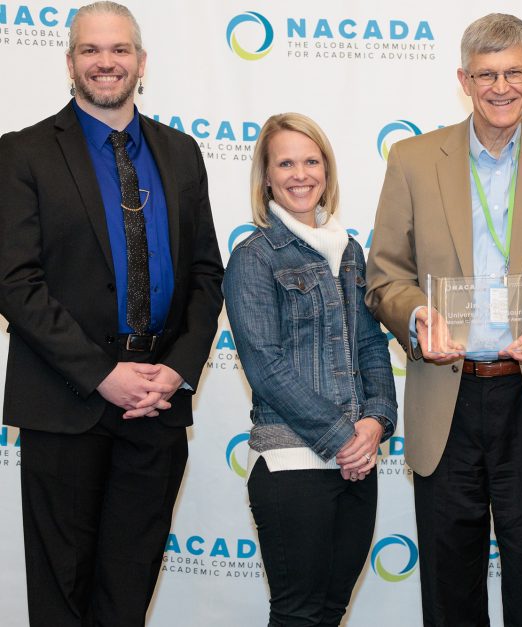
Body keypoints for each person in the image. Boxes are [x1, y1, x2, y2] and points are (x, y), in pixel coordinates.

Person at [365, 13, 522, 626]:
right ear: (463, 80)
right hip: (445, 395)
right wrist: (418, 315)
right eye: (486, 75)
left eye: (514, 73)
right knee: (450, 593)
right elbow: (384, 275)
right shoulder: (413, 160)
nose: (501, 87)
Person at [0, 2, 224, 625]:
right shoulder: (22, 153)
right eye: (91, 51)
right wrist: (103, 372)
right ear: (70, 61)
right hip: (66, 400)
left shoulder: (181, 153)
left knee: (128, 594)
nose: (106, 63)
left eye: (119, 50)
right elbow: (15, 282)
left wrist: (176, 370)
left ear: (141, 62)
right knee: (60, 595)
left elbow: (207, 273)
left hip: (156, 403)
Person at [223, 113, 397, 627]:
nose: (301, 174)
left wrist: (376, 422)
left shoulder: (349, 252)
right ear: (267, 177)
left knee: (329, 612)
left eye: (311, 161)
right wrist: (343, 435)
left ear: (327, 170)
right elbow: (265, 366)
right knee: (299, 615)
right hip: (292, 464)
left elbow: (371, 346)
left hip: (355, 463)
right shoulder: (254, 257)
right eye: (286, 163)